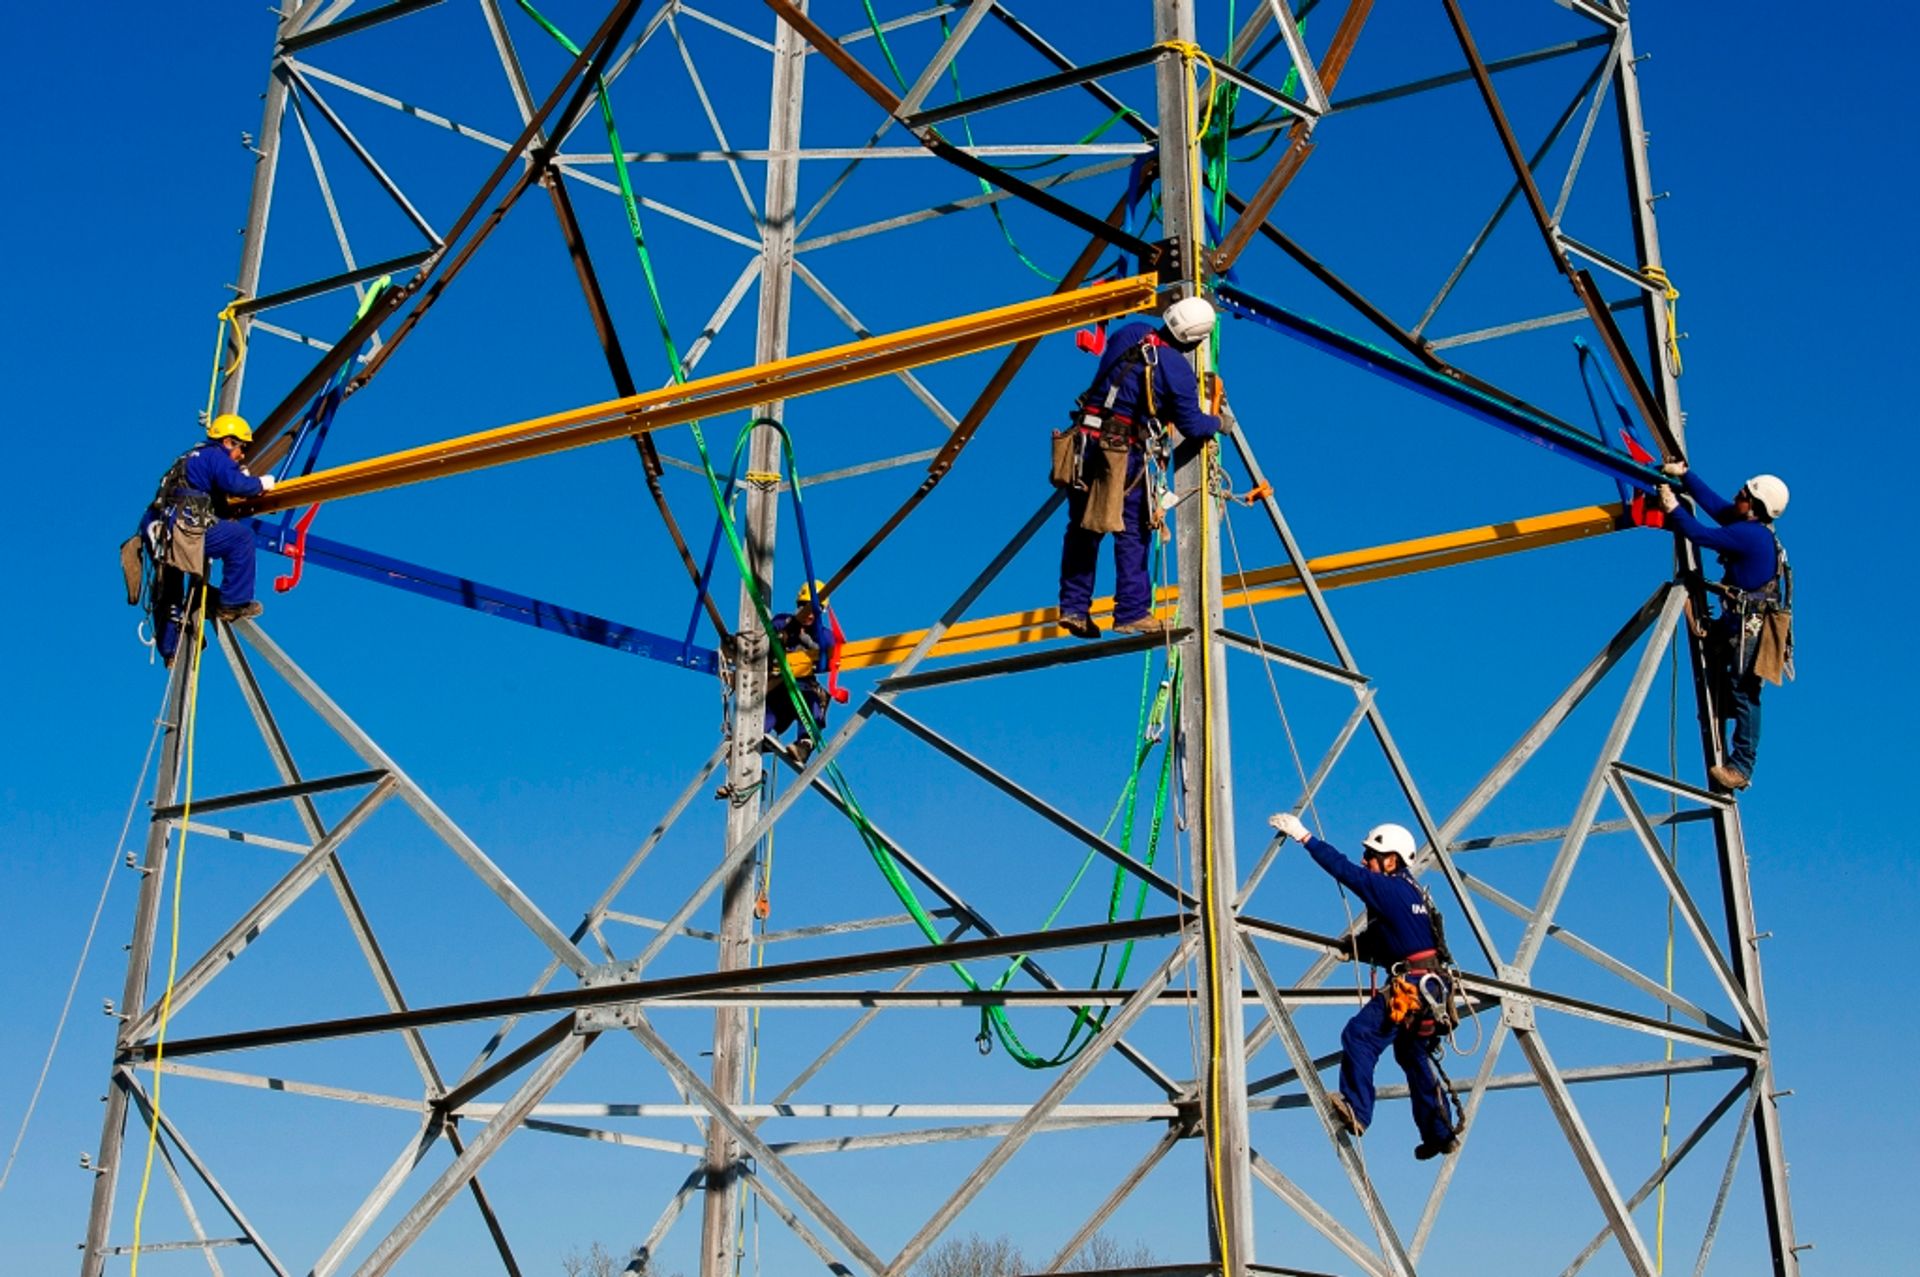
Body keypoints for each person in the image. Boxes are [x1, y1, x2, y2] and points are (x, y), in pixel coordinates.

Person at [1268, 812, 1462, 1160]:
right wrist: (1356, 946)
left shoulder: (1386, 887)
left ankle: (1356, 1109)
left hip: (1414, 987)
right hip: (1432, 988)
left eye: (1371, 855)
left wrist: (1304, 837)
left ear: (1391, 860)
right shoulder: (1412, 892)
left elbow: (1343, 870)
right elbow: (1399, 935)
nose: (1365, 860)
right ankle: (1440, 1133)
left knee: (1359, 1035)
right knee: (1412, 1053)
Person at [1054, 296, 1224, 640]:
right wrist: (1218, 422)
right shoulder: (1177, 369)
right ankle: (1131, 612)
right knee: (1131, 530)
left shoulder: (1130, 332)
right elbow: (1192, 424)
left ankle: (1073, 608)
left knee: (1083, 529)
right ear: (1194, 339)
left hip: (1083, 441)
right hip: (1120, 450)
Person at [1655, 465, 1791, 791]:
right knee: (1733, 684)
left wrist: (1673, 508)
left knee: (1745, 692)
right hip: (1741, 622)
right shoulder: (1751, 527)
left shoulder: (1751, 535)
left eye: (1743, 495)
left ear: (1754, 505)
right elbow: (1716, 506)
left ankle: (1742, 767)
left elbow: (1701, 535)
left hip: (1749, 627)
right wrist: (1685, 476)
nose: (1736, 497)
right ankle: (1728, 735)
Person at [135, 414, 277, 663]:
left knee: (170, 585)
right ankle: (232, 602)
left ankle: (171, 649)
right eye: (241, 448)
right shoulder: (215, 456)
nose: (242, 455)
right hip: (182, 526)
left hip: (158, 526)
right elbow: (235, 484)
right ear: (228, 442)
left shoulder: (191, 457)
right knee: (240, 539)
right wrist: (259, 484)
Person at [763, 580, 839, 765]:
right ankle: (752, 741)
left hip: (802, 687)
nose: (809, 614)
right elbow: (768, 635)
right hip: (777, 687)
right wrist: (784, 635)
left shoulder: (823, 635)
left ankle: (804, 744)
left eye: (814, 609)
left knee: (816, 700)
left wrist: (805, 640)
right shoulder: (783, 622)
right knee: (767, 713)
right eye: (805, 607)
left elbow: (832, 655)